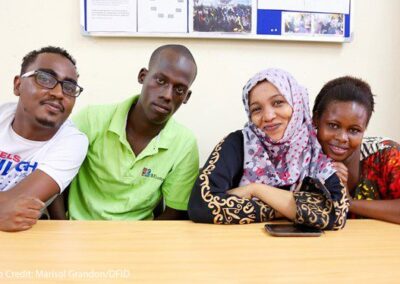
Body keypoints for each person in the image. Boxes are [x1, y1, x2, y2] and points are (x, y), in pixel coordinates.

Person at [188, 68, 349, 229]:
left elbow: (337, 214)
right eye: (257, 109)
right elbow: (201, 206)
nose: (268, 116)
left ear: (296, 103)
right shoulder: (238, 143)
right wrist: (293, 209)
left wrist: (256, 190)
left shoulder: (314, 150)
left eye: (278, 102)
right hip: (241, 246)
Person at [66, 44, 199, 220]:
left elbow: (175, 212)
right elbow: (55, 179)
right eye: (160, 81)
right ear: (143, 76)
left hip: (139, 239)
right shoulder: (91, 119)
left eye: (179, 90)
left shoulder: (184, 143)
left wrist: (144, 243)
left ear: (186, 97)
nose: (167, 95)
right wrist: (62, 229)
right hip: (79, 233)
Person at [0, 46, 88, 231]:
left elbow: (16, 206)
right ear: (18, 85)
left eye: (69, 87)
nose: (58, 93)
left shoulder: (73, 142)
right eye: (45, 79)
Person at [312, 76, 400, 224]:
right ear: (316, 120)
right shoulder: (301, 158)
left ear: (364, 129)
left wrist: (349, 202)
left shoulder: (386, 155)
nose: (342, 137)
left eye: (354, 130)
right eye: (333, 125)